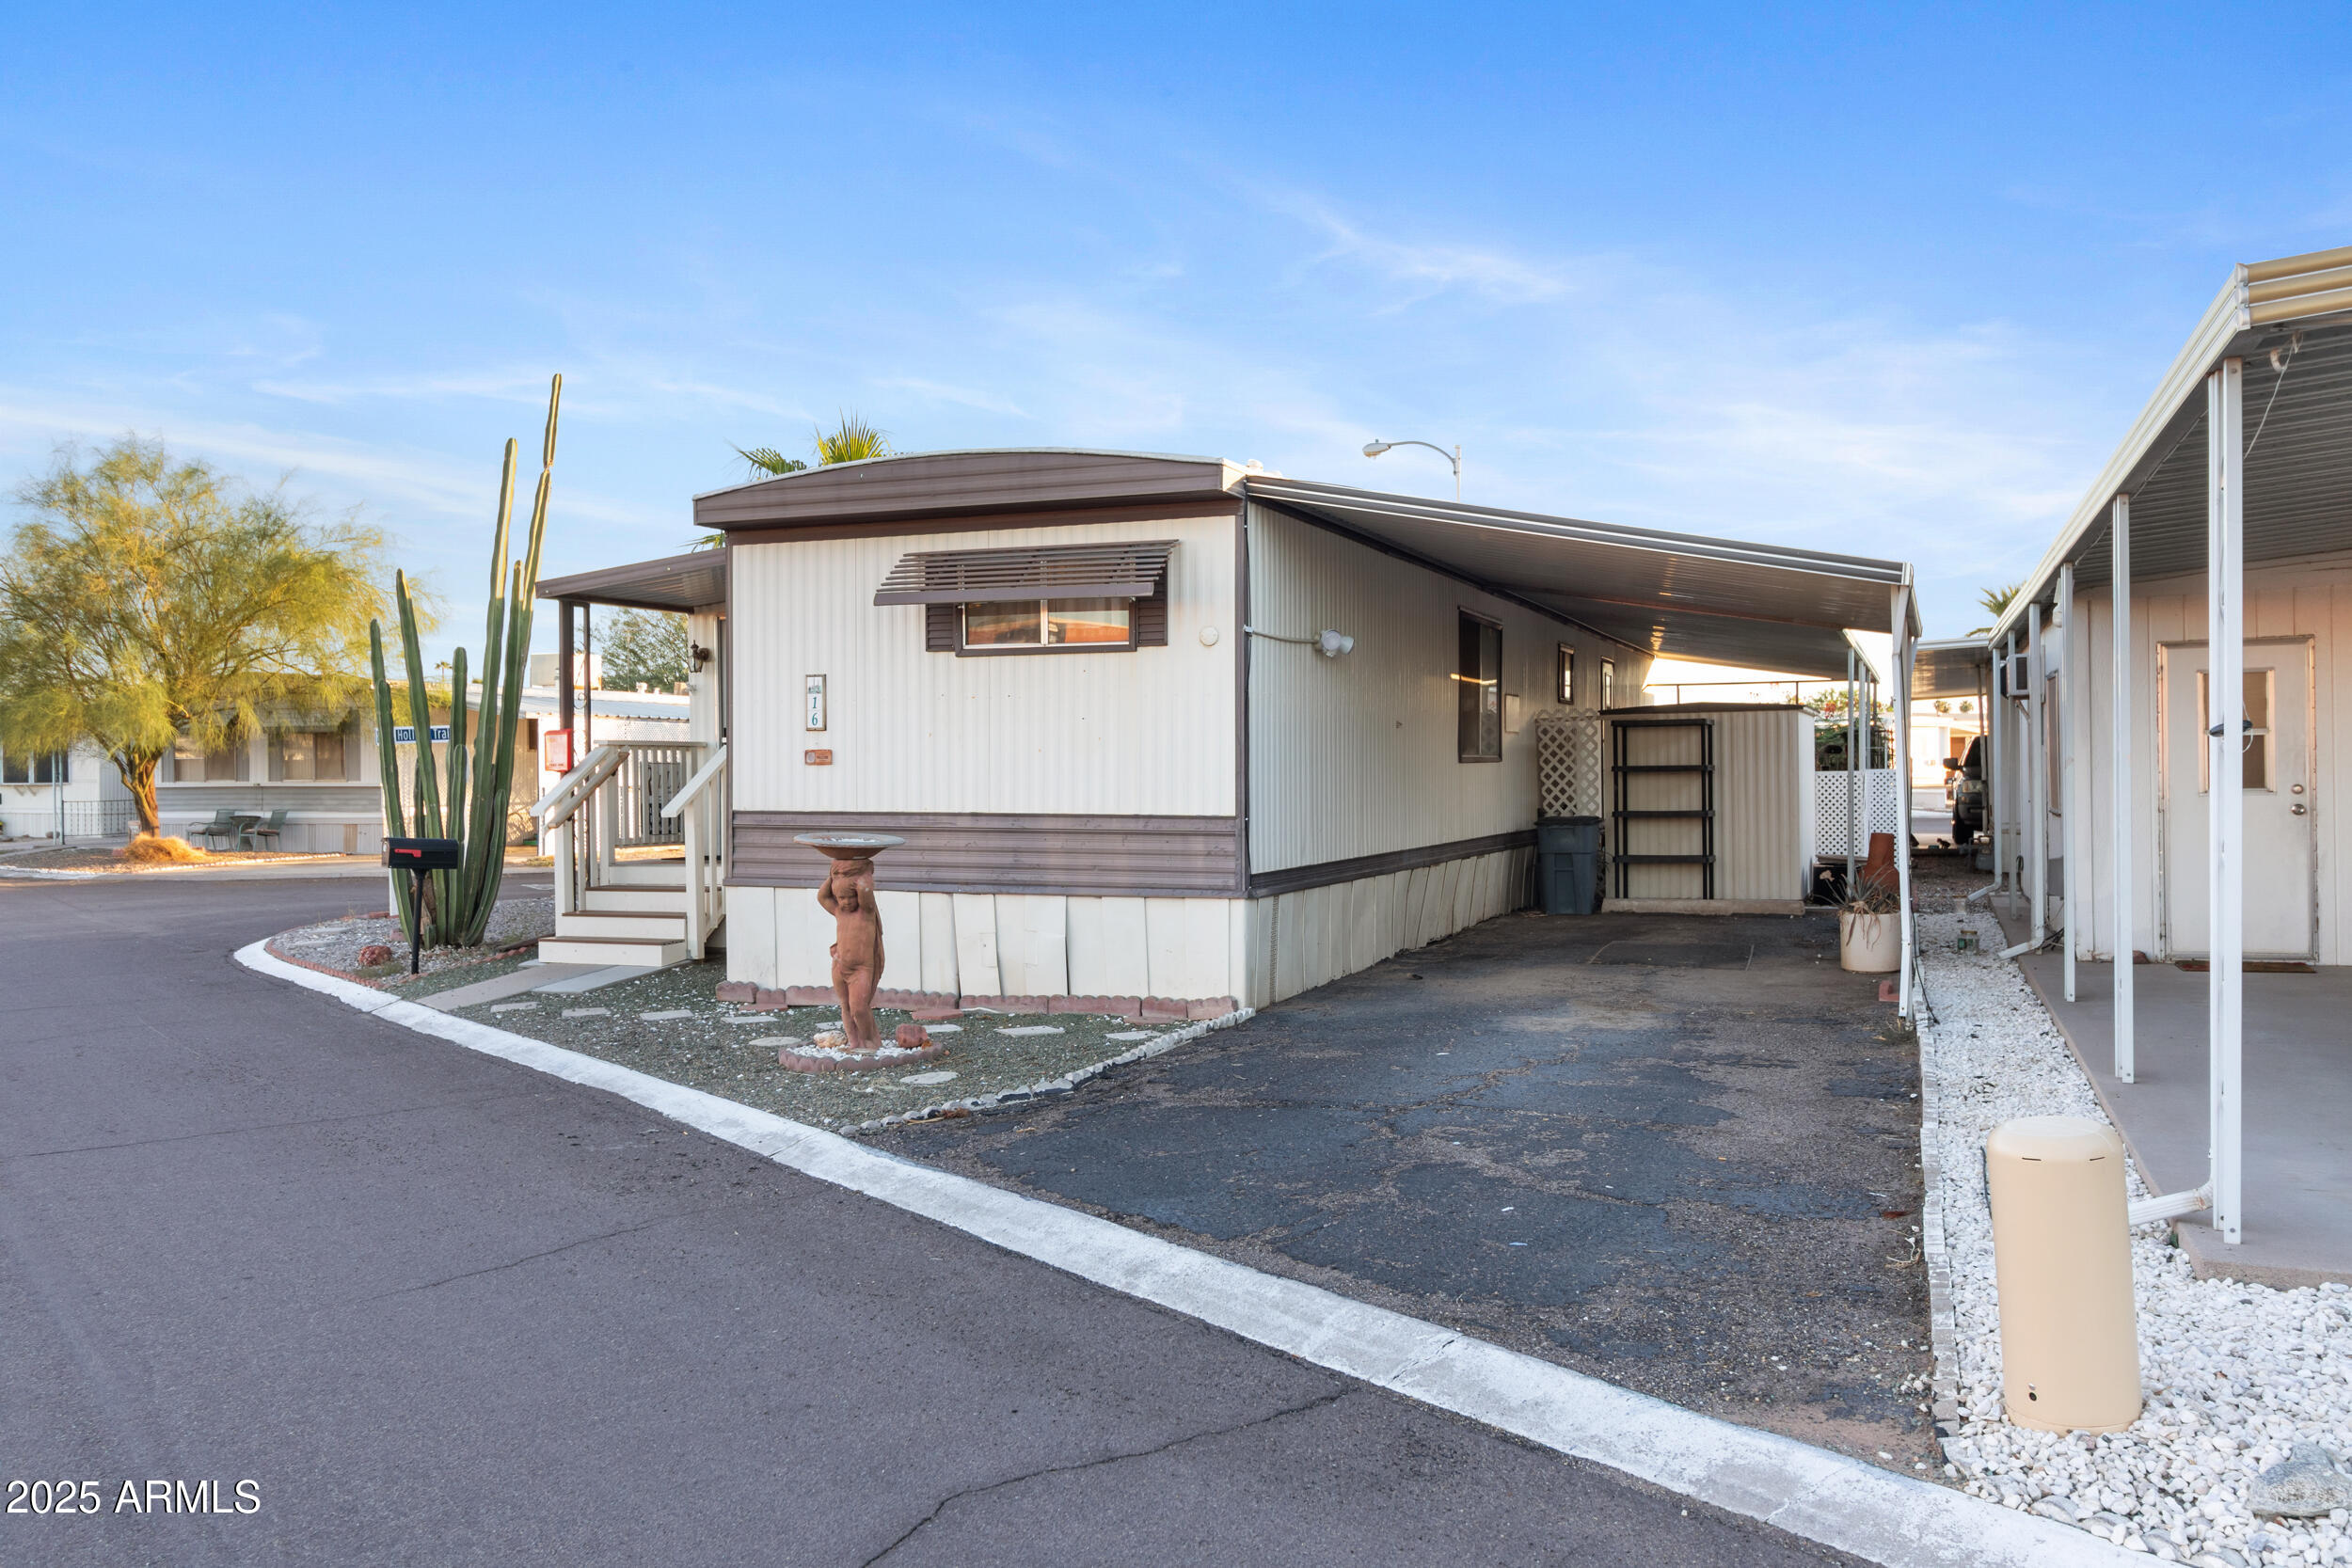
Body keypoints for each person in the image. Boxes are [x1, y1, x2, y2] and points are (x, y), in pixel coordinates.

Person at [817, 855, 885, 1051]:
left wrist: (861, 873)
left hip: (862, 969)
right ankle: (855, 1043)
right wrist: (834, 876)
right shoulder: (840, 912)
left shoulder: (866, 912)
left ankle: (870, 1042)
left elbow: (865, 889)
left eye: (850, 896)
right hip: (839, 965)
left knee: (859, 1008)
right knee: (845, 1006)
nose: (846, 902)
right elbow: (821, 897)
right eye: (841, 898)